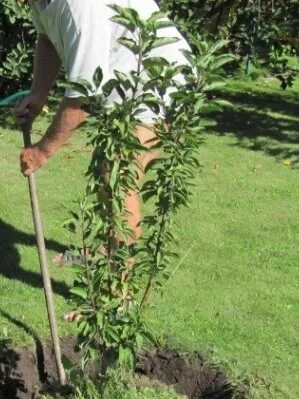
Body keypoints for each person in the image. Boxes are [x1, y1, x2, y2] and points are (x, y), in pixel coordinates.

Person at [16, 0, 192, 247]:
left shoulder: (79, 7)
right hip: (126, 84)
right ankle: (104, 263)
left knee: (119, 179)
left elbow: (84, 98)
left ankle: (119, 283)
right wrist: (38, 93)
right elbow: (48, 40)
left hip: (161, 84)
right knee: (106, 176)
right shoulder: (41, 2)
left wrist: (42, 152)